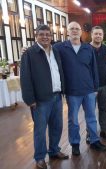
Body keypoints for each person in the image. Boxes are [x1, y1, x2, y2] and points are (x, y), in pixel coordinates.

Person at [53, 21, 106, 155]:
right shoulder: (59, 47)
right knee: (73, 120)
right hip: (72, 91)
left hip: (88, 90)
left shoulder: (87, 48)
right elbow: (44, 49)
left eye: (77, 28)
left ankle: (94, 140)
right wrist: (26, 49)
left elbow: (94, 68)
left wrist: (95, 87)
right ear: (67, 31)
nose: (75, 31)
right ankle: (75, 143)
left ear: (81, 32)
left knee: (91, 117)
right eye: (72, 29)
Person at [20, 24, 68, 169]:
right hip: (40, 100)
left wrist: (63, 91)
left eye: (48, 34)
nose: (45, 37)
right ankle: (40, 157)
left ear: (51, 36)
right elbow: (25, 78)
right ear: (36, 36)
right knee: (40, 130)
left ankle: (54, 150)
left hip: (56, 97)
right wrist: (30, 100)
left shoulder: (56, 51)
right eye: (42, 34)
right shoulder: (29, 53)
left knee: (57, 126)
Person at [86, 26, 106, 142]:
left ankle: (104, 130)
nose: (98, 36)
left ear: (102, 36)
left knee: (103, 109)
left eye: (100, 34)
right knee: (90, 111)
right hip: (90, 87)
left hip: (104, 85)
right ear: (91, 35)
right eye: (95, 34)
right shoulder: (85, 48)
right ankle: (89, 133)